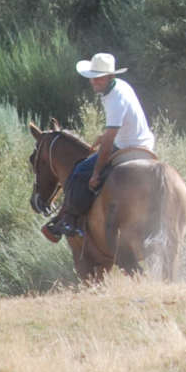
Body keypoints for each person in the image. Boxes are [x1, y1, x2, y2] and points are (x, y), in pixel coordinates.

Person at [42, 52, 156, 240]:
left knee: (79, 172)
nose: (94, 82)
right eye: (92, 77)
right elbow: (124, 123)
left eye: (99, 78)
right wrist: (103, 136)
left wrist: (96, 173)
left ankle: (70, 221)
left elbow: (110, 143)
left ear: (110, 76)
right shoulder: (120, 87)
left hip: (127, 147)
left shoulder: (114, 100)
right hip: (144, 143)